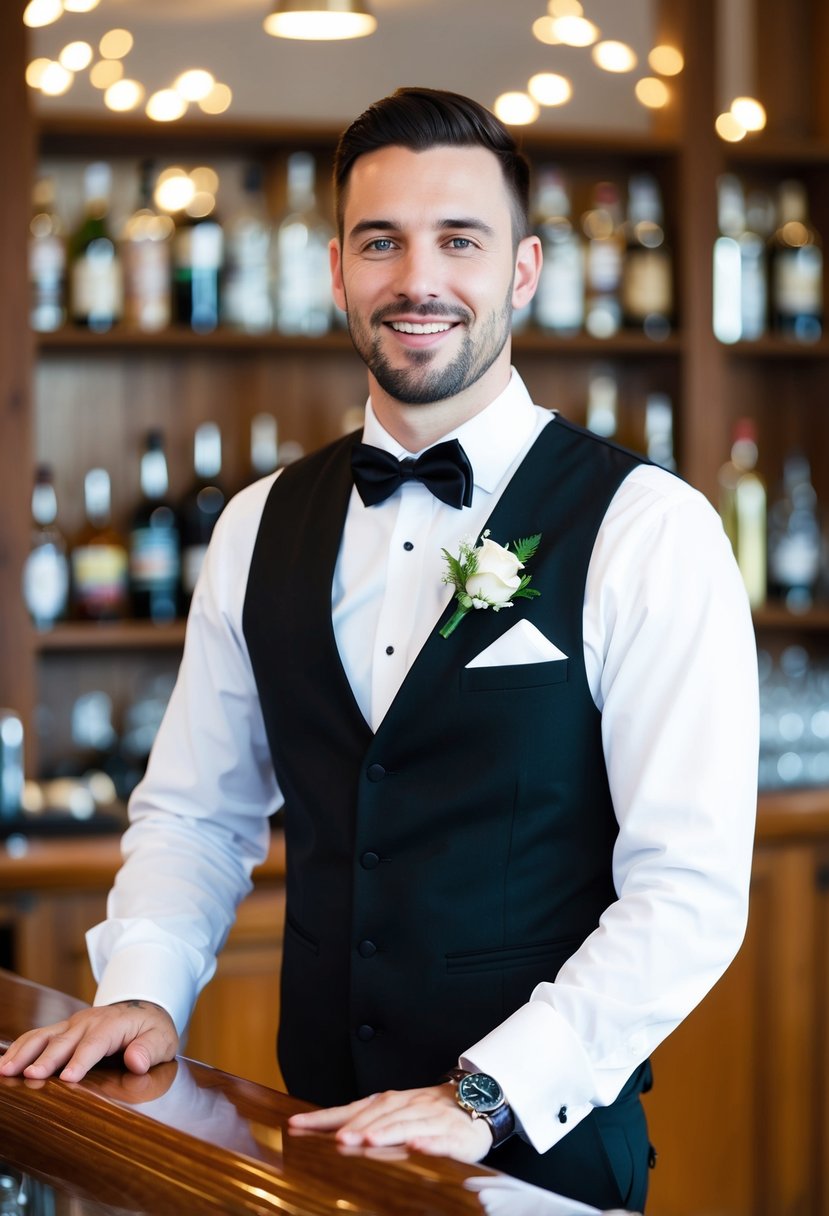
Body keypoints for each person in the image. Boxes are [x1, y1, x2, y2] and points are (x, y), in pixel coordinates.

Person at [0, 88, 758, 1212]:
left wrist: (485, 1094)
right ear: (337, 268)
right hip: (306, 1144)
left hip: (541, 1164)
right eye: (380, 241)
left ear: (524, 270)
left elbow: (686, 892)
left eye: (460, 239)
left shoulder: (649, 529)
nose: (418, 279)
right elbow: (197, 812)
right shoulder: (257, 525)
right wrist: (146, 991)